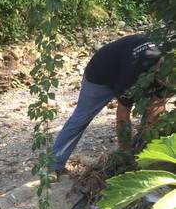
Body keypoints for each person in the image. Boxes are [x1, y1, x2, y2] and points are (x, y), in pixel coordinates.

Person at [52, 34, 166, 172]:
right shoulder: (133, 73)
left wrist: (150, 146)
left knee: (152, 111)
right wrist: (124, 154)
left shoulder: (167, 71)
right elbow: (123, 115)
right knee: (80, 118)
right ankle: (54, 165)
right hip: (101, 75)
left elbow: (157, 107)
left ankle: (142, 153)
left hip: (131, 67)